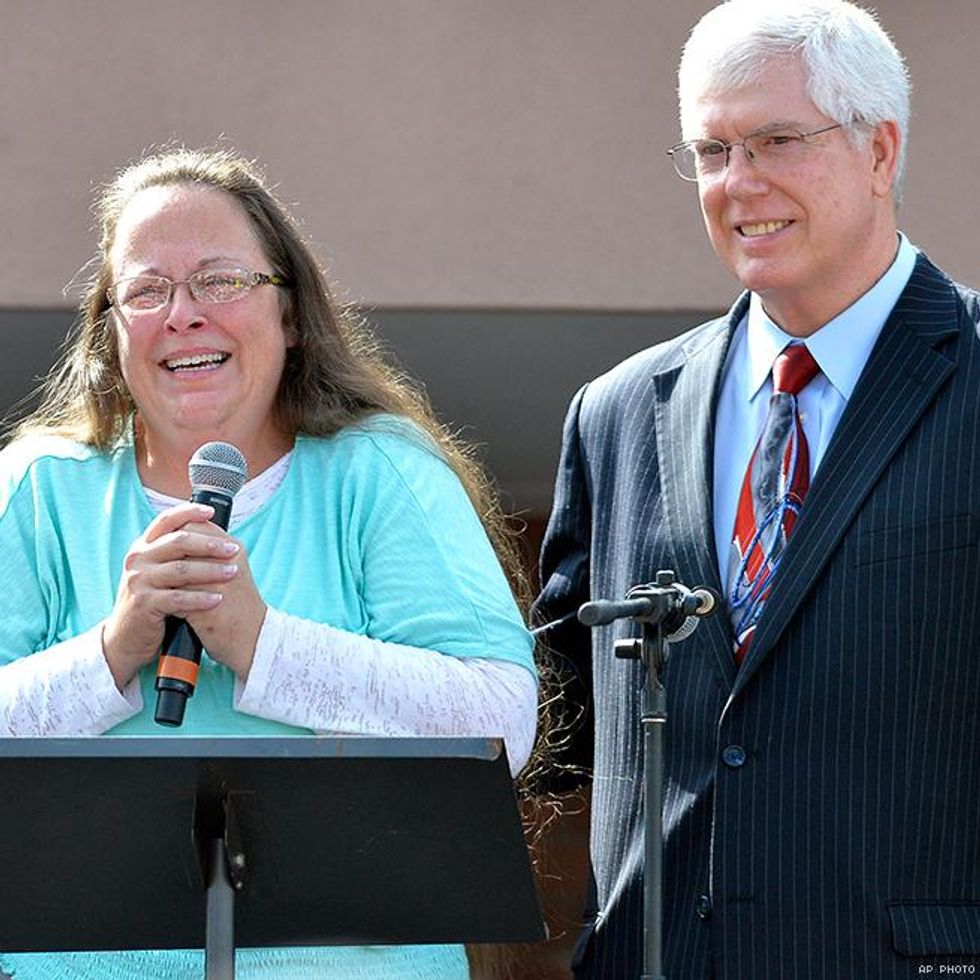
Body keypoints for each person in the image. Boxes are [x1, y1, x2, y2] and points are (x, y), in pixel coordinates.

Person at [0, 146, 538, 979]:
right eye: (145, 291)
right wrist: (114, 650)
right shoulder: (40, 487)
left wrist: (262, 644)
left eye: (219, 280)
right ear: (110, 334)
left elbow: (502, 720)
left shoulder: (380, 470)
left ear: (290, 314)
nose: (182, 315)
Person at [534, 2, 980, 977]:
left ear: (878, 150)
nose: (739, 184)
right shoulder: (613, 414)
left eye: (776, 140)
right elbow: (553, 711)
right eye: (710, 150)